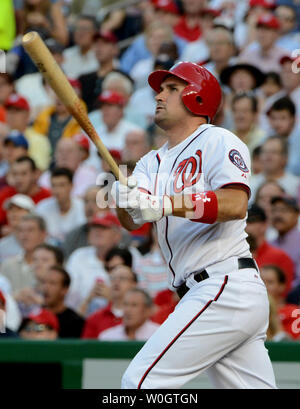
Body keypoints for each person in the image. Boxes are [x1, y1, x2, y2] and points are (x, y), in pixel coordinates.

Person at [112, 61, 276, 388]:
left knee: (139, 385)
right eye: (160, 89)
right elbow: (131, 222)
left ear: (197, 98)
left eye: (171, 89)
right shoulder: (150, 162)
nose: (159, 95)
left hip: (223, 283)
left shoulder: (217, 140)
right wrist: (123, 198)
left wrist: (163, 204)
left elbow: (234, 203)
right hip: (207, 292)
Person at [65, 212, 120, 314]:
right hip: (80, 315)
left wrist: (112, 297)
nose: (97, 232)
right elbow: (69, 292)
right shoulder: (78, 256)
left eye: (104, 228)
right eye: (94, 227)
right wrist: (88, 298)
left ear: (117, 235)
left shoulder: (131, 255)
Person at [245, 204, 295, 295]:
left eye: (250, 221)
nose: (245, 225)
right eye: (241, 221)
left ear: (264, 225)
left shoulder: (280, 257)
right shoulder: (232, 255)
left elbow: (285, 295)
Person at [82, 264, 138, 339]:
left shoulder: (142, 316)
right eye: (113, 278)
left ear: (134, 284)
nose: (116, 282)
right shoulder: (95, 318)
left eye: (122, 278)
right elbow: (87, 348)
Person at [36, 167, 86, 244]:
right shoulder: (42, 207)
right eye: (54, 185)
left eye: (62, 185)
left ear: (71, 186)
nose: (57, 190)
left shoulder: (83, 207)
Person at [0, 214, 47, 295]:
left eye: (30, 230)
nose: (24, 235)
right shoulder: (7, 265)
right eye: (21, 231)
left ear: (43, 234)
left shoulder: (51, 264)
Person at [4, 94, 51, 171]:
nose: (11, 115)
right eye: (9, 111)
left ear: (27, 114)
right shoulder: (3, 137)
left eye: (16, 111)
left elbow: (38, 171)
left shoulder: (38, 139)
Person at [0, 156, 51, 226]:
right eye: (15, 174)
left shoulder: (48, 197)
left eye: (24, 174)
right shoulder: (5, 194)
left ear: (35, 174)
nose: (18, 179)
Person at [79, 30, 121, 112]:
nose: (99, 47)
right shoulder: (84, 79)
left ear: (115, 49)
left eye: (105, 43)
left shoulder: (122, 77)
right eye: (96, 44)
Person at [249, 136, 300, 201]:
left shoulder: (296, 185)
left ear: (285, 157)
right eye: (264, 152)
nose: (268, 156)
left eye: (274, 152)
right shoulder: (250, 183)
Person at [42, 265, 85, 338]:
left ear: (65, 289)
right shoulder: (33, 316)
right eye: (44, 282)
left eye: (52, 283)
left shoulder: (76, 323)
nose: (46, 287)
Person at [260, 265, 300, 340]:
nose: (263, 285)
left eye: (270, 282)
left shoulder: (294, 312)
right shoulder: (248, 310)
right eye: (260, 281)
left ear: (282, 286)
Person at [62, 185, 102, 259]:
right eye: (86, 201)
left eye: (96, 201)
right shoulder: (73, 235)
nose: (89, 206)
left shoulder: (118, 234)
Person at [270, 195, 300, 287]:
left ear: (296, 215)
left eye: (284, 210)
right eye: (274, 210)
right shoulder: (270, 243)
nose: (278, 215)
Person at [266, 97, 300, 176]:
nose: (277, 123)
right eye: (274, 118)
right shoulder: (267, 139)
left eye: (283, 118)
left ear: (293, 119)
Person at [0, 194, 35, 263]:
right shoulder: (2, 245)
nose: (13, 213)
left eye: (19, 209)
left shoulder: (42, 241)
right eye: (10, 210)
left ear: (31, 213)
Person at [62, 15, 99, 79]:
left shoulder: (101, 56)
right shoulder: (66, 54)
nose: (80, 33)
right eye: (77, 28)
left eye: (85, 29)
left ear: (95, 32)